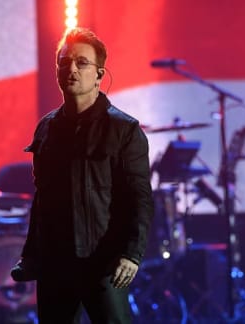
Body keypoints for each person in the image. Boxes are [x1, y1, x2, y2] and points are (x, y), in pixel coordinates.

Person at [11, 27, 154, 323]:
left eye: (81, 63)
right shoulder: (47, 128)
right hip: (56, 264)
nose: (71, 69)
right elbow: (42, 201)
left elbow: (140, 198)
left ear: (99, 74)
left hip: (103, 263)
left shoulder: (124, 130)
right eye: (64, 62)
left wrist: (131, 254)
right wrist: (32, 254)